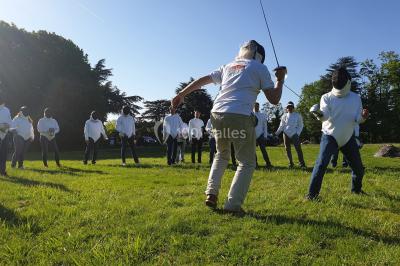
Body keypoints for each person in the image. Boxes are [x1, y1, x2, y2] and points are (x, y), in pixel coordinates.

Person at [171, 40, 286, 213]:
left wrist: (181, 94)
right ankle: (232, 205)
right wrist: (280, 80)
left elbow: (203, 80)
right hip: (239, 115)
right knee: (247, 162)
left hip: (217, 113)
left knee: (221, 155)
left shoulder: (228, 66)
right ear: (259, 55)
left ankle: (211, 193)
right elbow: (274, 99)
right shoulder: (259, 68)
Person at [307, 67, 369, 200]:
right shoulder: (326, 97)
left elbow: (357, 119)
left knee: (358, 168)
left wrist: (364, 117)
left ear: (347, 82)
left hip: (348, 137)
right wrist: (318, 113)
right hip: (330, 136)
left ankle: (356, 190)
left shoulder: (355, 98)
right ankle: (311, 195)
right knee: (321, 164)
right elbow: (325, 117)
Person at [275, 101, 306, 168]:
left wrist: (297, 133)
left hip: (294, 134)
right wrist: (276, 133)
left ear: (293, 107)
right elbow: (281, 126)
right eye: (288, 107)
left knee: (298, 149)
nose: (289, 108)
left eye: (291, 107)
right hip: (285, 133)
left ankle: (302, 163)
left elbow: (301, 125)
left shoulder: (298, 115)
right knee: (287, 149)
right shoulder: (284, 116)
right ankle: (291, 163)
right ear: (286, 108)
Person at [253, 102, 272, 168]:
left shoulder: (263, 115)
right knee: (253, 151)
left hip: (261, 135)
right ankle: (255, 164)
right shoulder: (250, 114)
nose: (256, 107)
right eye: (255, 106)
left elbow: (265, 126)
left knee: (263, 150)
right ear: (253, 106)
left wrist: (265, 136)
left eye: (257, 106)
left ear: (259, 106)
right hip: (252, 136)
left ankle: (268, 163)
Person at [0, 96, 12, 176]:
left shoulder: (7, 110)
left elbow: (10, 121)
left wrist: (6, 127)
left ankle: (3, 171)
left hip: (5, 133)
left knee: (4, 153)